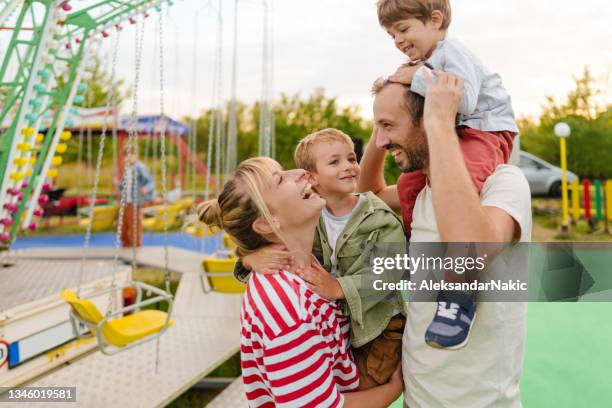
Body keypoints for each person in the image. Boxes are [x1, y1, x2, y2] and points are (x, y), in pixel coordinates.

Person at [359, 70, 531, 406]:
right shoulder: (418, 191)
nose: (380, 141)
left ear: (430, 120)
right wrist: (382, 124)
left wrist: (440, 125)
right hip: (419, 397)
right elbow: (367, 194)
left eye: (390, 126)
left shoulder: (504, 184)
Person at [196, 157, 403, 407]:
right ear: (265, 223)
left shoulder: (309, 263)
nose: (302, 173)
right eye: (280, 179)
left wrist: (248, 258)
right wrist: (395, 388)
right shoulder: (289, 311)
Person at [376, 0, 519, 349]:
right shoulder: (425, 61)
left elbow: (465, 101)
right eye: (392, 34)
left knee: (462, 182)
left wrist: (417, 77)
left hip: (484, 131)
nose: (397, 39)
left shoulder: (452, 52)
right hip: (459, 132)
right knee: (411, 183)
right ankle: (417, 244)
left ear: (435, 20)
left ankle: (459, 294)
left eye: (404, 29)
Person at [238, 129, 407, 390]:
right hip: (345, 326)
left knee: (364, 388)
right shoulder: (311, 216)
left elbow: (391, 273)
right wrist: (250, 259)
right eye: (335, 162)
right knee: (334, 382)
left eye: (352, 159)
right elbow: (280, 242)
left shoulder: (378, 217)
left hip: (380, 328)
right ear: (311, 176)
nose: (349, 166)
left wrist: (339, 287)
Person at [118, 148, 155, 247]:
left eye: (130, 155)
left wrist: (146, 189)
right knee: (123, 224)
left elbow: (151, 182)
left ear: (135, 156)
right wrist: (118, 184)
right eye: (126, 156)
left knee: (134, 223)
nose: (128, 158)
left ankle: (135, 243)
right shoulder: (127, 169)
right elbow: (123, 184)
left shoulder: (140, 167)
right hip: (125, 200)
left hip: (135, 201)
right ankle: (126, 242)